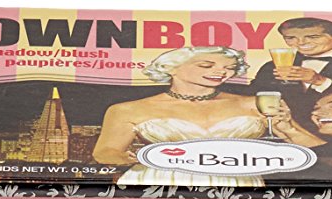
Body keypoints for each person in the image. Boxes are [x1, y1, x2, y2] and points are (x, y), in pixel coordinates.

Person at [93, 46, 267, 187]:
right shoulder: (127, 109)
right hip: (159, 182)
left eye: (230, 68)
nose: (222, 72)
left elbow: (285, 141)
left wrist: (282, 126)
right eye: (206, 65)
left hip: (236, 181)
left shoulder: (257, 103)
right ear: (171, 68)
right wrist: (129, 158)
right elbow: (104, 152)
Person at [248, 17, 332, 128]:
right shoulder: (272, 66)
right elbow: (252, 94)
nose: (301, 42)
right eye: (291, 38)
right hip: (280, 131)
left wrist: (320, 81)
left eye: (313, 37)